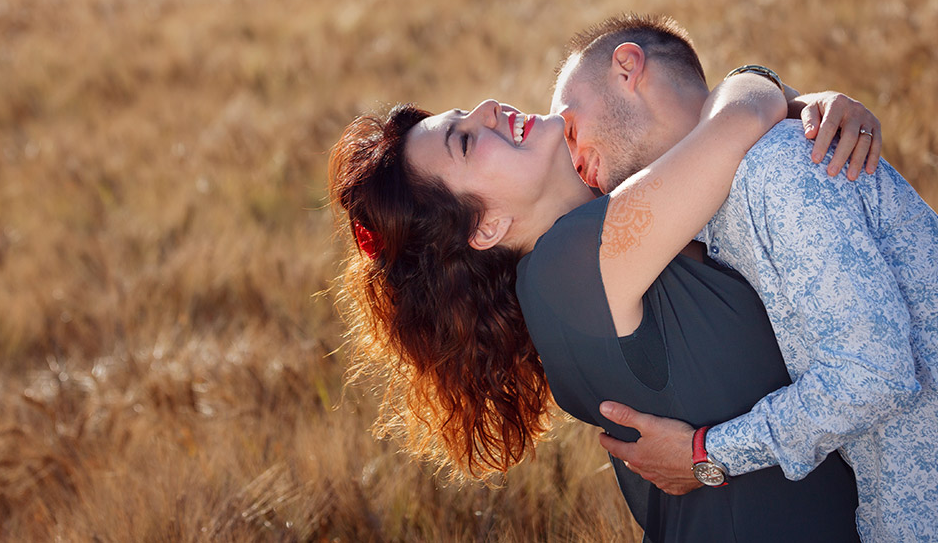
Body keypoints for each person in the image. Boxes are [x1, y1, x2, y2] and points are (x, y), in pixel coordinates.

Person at [329, 68, 880, 540]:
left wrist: (807, 109)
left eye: (464, 115)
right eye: (467, 141)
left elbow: (729, 136)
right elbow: (740, 120)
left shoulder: (600, 240)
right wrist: (759, 82)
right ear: (487, 226)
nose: (487, 109)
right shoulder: (568, 266)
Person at [548, 14, 938, 542]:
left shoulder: (777, 169)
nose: (570, 151)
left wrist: (704, 455)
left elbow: (873, 371)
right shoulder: (718, 213)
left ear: (628, 67)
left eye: (569, 121)